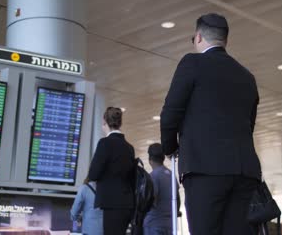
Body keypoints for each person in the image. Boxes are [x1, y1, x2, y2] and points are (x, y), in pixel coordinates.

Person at [160, 13, 262, 235]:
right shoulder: (247, 76)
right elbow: (249, 125)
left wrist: (169, 148)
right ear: (225, 40)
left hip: (204, 170)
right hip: (245, 173)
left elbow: (170, 112)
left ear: (198, 37)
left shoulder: (192, 63)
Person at [88, 107, 135, 235]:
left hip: (112, 203)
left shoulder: (105, 143)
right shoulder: (129, 147)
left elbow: (93, 174)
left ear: (105, 123)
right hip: (127, 204)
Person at [143, 143, 179, 235]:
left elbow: (152, 201)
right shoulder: (171, 175)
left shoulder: (152, 176)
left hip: (154, 224)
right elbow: (177, 200)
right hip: (170, 224)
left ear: (150, 159)